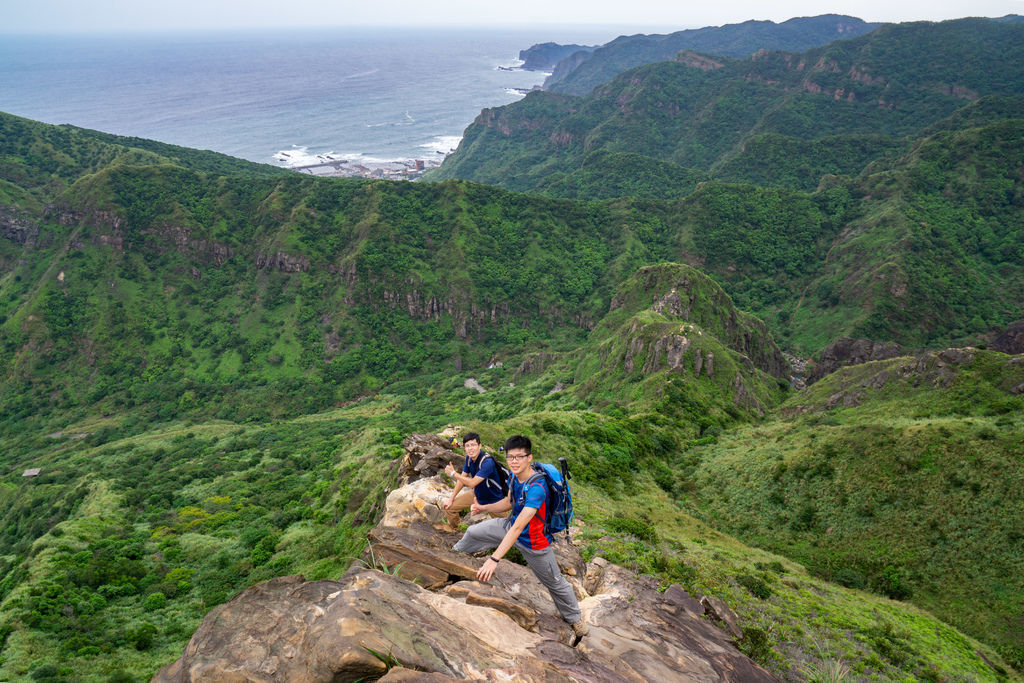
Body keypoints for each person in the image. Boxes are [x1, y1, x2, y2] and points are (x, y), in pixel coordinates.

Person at [452, 435, 588, 639]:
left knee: (555, 582)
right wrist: (483, 508)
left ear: (529, 458)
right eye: (510, 457)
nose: (514, 461)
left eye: (519, 457)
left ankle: (575, 619)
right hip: (509, 526)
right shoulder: (515, 476)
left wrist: (494, 559)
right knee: (472, 532)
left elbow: (518, 527)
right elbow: (509, 504)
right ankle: (453, 559)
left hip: (534, 543)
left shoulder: (537, 488)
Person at [442, 433, 505, 528]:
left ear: (479, 446)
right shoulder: (469, 459)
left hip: (493, 499)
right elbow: (462, 480)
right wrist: (451, 499)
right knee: (449, 508)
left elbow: (472, 483)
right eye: (467, 446)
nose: (470, 448)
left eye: (473, 445)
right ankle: (457, 533)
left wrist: (453, 473)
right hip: (477, 493)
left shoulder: (487, 462)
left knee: (506, 527)